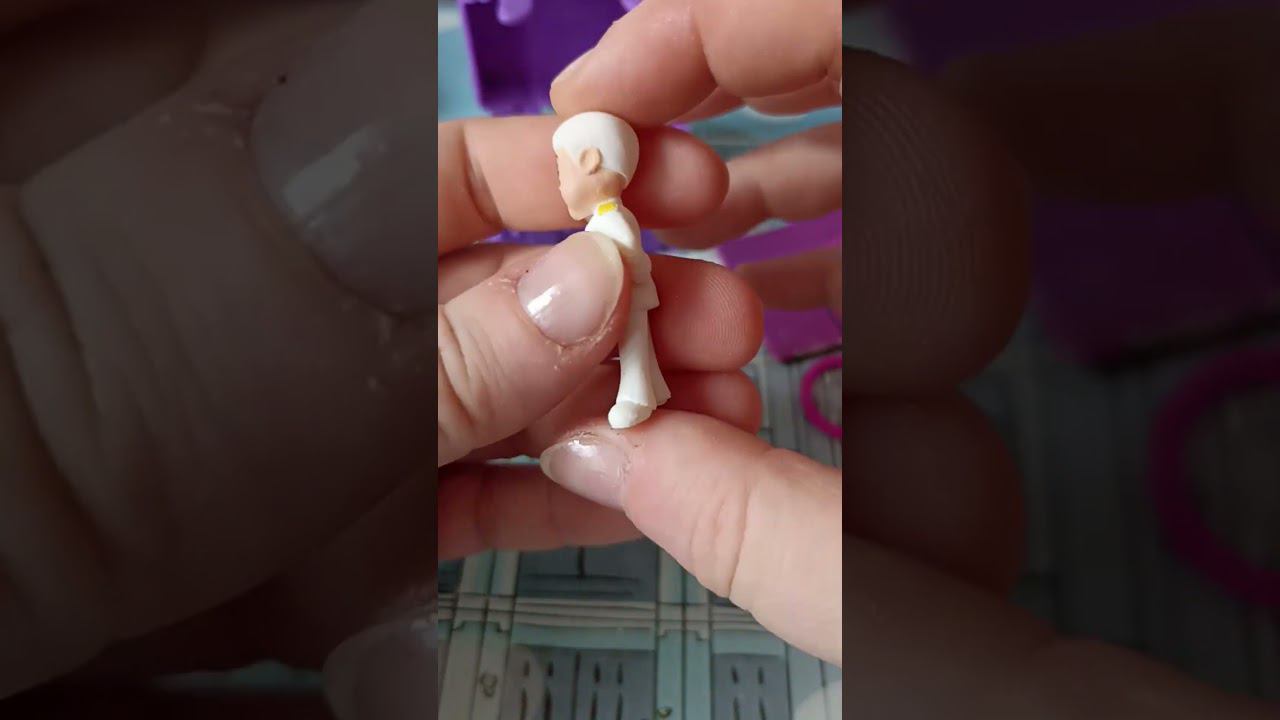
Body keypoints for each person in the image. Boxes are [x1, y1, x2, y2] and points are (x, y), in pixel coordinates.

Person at [0, 0, 1276, 718]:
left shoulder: (607, 223)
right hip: (610, 347)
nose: (583, 173)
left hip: (629, 343)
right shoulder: (590, 221)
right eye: (580, 166)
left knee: (654, 375)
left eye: (586, 164)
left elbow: (620, 274)